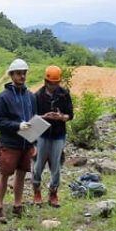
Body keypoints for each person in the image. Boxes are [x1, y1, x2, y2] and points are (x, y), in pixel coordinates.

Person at [0, 58, 37, 222]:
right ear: (11, 75)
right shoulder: (2, 98)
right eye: (19, 73)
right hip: (10, 144)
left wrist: (34, 142)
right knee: (4, 175)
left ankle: (18, 206)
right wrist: (17, 125)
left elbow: (34, 120)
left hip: (26, 144)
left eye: (24, 73)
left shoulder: (30, 96)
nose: (22, 76)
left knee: (21, 175)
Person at [32, 65, 73, 207]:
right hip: (42, 134)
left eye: (56, 83)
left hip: (58, 134)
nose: (54, 86)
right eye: (51, 83)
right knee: (38, 165)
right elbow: (33, 117)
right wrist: (45, 116)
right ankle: (36, 191)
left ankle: (53, 193)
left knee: (56, 166)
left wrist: (61, 117)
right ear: (46, 81)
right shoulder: (38, 95)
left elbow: (70, 115)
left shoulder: (64, 94)